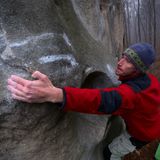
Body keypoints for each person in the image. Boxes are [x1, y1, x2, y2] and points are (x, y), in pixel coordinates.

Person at [7, 43, 160, 159]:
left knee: (109, 153)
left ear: (138, 69)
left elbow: (103, 100)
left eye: (129, 62)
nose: (120, 62)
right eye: (123, 57)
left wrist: (56, 94)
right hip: (151, 125)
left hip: (140, 135)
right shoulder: (150, 80)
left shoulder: (131, 94)